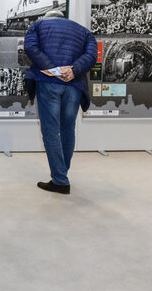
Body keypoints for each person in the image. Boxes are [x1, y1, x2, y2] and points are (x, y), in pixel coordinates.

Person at [23, 10, 97, 194]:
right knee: (67, 129)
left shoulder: (38, 25)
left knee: (50, 131)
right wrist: (73, 70)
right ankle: (61, 174)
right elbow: (91, 55)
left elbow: (30, 47)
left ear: (48, 17)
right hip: (74, 85)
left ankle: (60, 180)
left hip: (49, 83)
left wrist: (52, 68)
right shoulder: (83, 31)